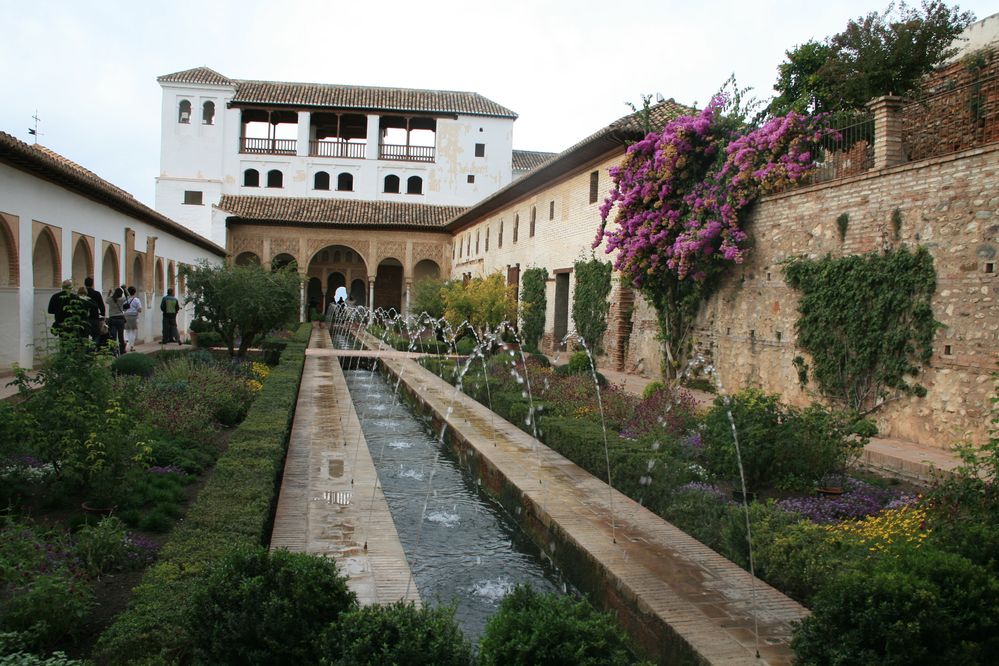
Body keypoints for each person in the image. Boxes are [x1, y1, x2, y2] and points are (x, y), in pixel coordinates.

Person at [105, 286, 128, 355]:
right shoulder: (121, 299)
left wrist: (109, 293)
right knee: (121, 336)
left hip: (112, 319)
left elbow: (106, 300)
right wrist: (125, 289)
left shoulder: (110, 299)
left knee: (113, 336)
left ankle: (113, 351)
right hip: (120, 319)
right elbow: (128, 296)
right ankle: (122, 351)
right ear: (121, 294)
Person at [83, 277, 106, 345]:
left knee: (85, 336)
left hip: (84, 317)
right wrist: (102, 314)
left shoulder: (82, 294)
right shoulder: (96, 293)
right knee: (96, 335)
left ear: (84, 284)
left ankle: (86, 350)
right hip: (94, 317)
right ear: (92, 284)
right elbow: (101, 305)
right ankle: (93, 349)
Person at [123, 286, 143, 352]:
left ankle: (126, 344)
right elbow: (139, 309)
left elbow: (123, 308)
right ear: (134, 292)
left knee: (127, 331)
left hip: (126, 316)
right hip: (134, 317)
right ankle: (131, 346)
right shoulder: (136, 300)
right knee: (133, 332)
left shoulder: (124, 299)